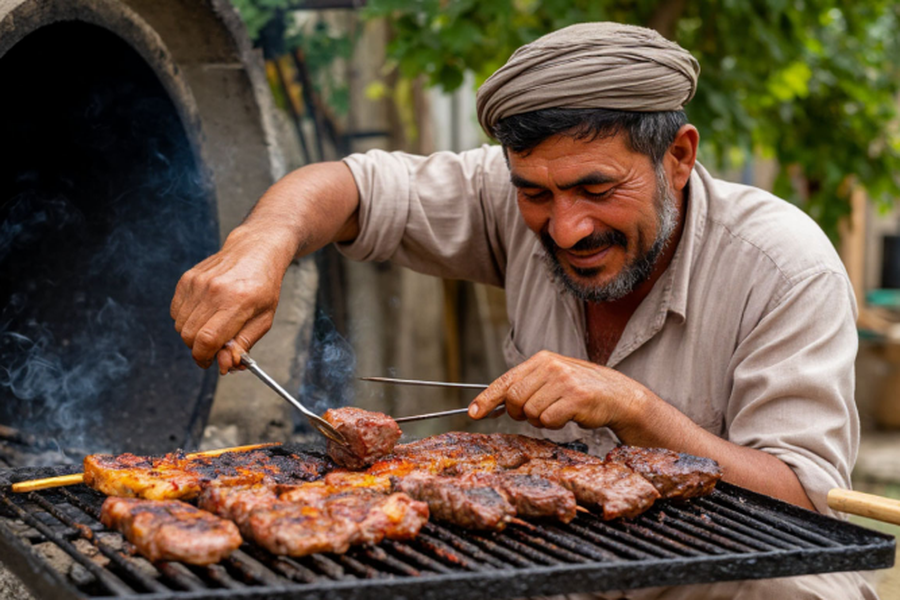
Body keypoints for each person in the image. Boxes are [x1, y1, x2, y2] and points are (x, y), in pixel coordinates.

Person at [171, 22, 875, 599]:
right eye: (536, 194)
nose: (567, 228)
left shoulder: (785, 267)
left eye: (597, 188)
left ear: (679, 157)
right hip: (563, 572)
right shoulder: (508, 192)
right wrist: (263, 242)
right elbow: (348, 185)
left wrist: (635, 407)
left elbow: (805, 506)